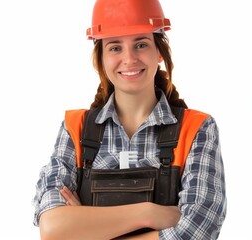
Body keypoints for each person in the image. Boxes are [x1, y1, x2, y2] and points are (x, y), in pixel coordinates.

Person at [31, 0, 227, 239]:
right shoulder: (76, 128)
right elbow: (52, 228)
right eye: (115, 47)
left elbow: (197, 232)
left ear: (159, 53)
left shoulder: (196, 129)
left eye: (141, 44)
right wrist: (149, 213)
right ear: (101, 59)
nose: (129, 58)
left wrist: (84, 226)